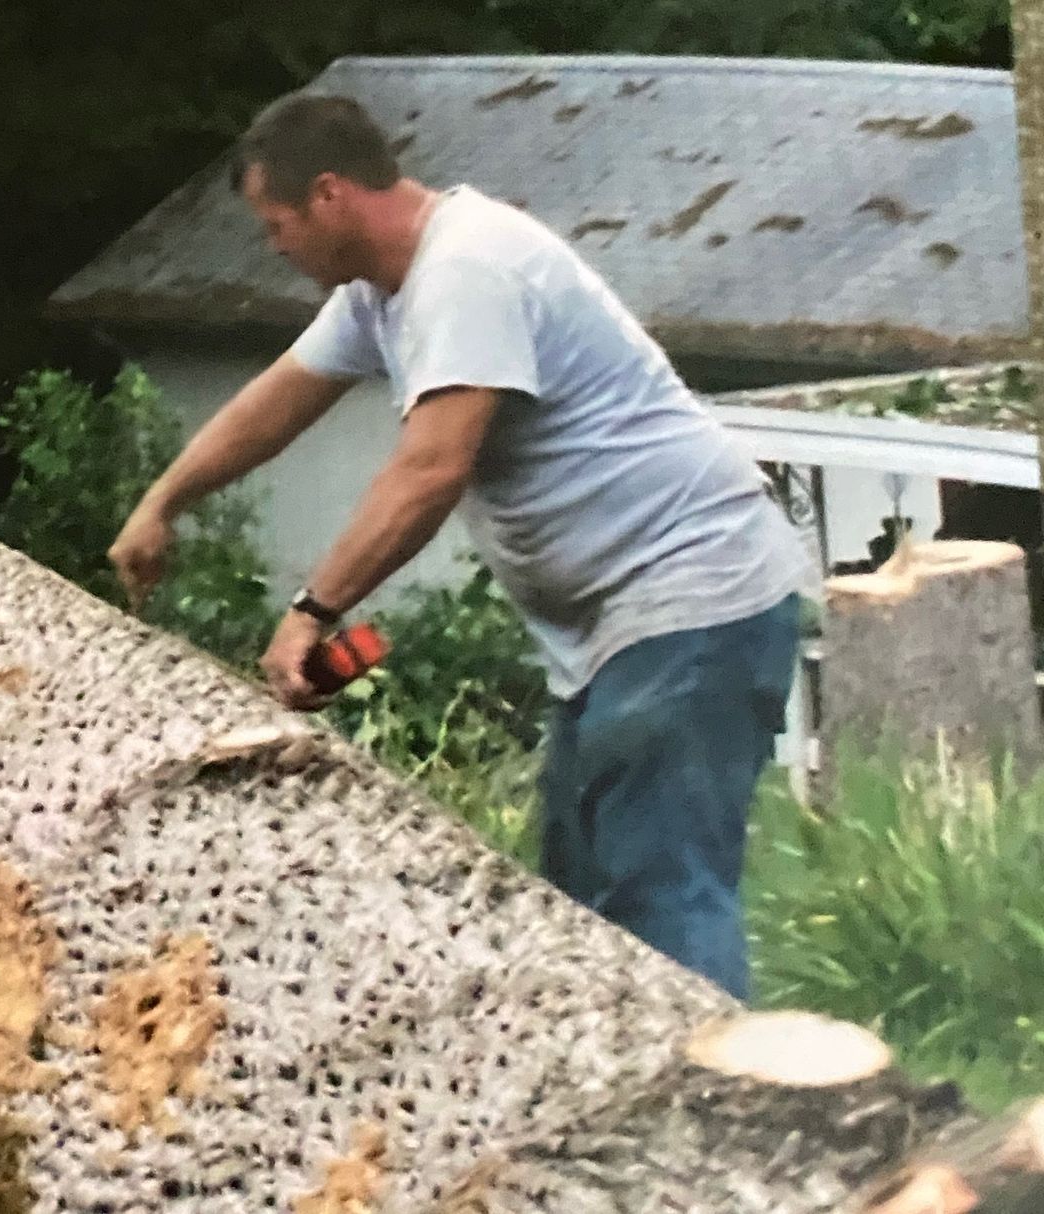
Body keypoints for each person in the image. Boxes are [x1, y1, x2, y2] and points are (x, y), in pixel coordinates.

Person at [108, 94, 812, 999]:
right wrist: (164, 500)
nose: (274, 246)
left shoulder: (469, 268)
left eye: (276, 224)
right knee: (581, 906)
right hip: (616, 629)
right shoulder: (378, 294)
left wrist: (312, 613)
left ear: (330, 195)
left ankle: (719, 1119)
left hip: (694, 596)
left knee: (656, 891)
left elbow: (430, 471)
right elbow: (277, 399)